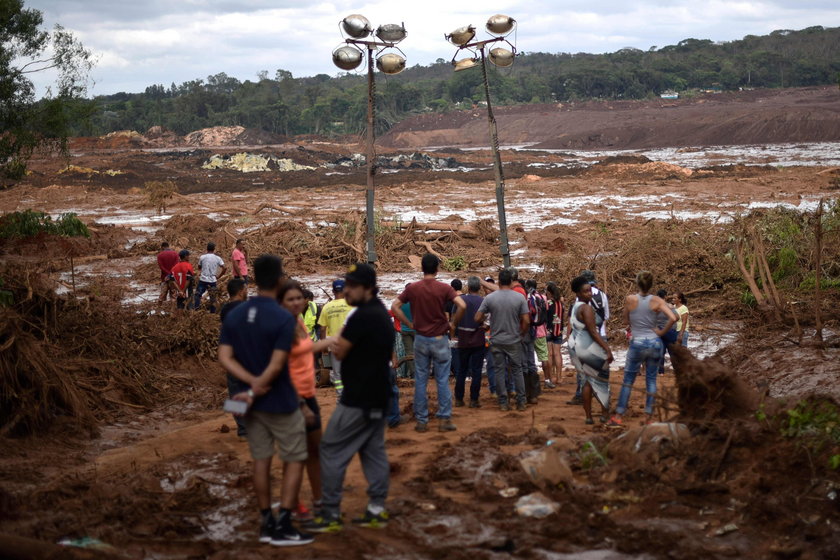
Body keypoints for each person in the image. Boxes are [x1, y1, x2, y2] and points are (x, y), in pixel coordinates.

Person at [218, 255, 314, 547]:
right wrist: (260, 382)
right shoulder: (283, 316)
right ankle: (284, 523)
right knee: (295, 458)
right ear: (279, 279)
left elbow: (224, 357)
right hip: (282, 401)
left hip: (250, 404)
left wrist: (248, 383)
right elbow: (277, 363)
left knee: (260, 461)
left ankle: (265, 521)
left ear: (253, 280)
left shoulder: (234, 314)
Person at [307, 263, 394, 533]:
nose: (346, 290)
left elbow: (341, 353)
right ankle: (377, 509)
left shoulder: (361, 317)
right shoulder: (380, 311)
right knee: (373, 452)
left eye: (352, 286)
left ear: (366, 288)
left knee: (331, 450)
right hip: (379, 395)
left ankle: (331, 514)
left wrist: (331, 341)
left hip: (358, 398)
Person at [278, 280, 336, 523]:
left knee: (314, 451)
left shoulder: (299, 322)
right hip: (293, 399)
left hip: (308, 395)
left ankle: (319, 500)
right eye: (290, 299)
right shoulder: (282, 328)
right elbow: (280, 369)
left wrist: (332, 341)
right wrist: (300, 403)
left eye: (298, 298)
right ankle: (292, 507)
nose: (296, 302)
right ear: (281, 302)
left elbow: (308, 349)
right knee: (295, 456)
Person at [391, 254, 466, 433]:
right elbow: (462, 305)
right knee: (442, 379)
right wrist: (453, 323)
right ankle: (444, 418)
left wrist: (409, 324)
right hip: (440, 338)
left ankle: (422, 421)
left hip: (421, 339)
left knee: (421, 379)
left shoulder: (414, 288)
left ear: (421, 268)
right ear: (437, 269)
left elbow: (395, 306)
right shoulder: (444, 288)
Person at [610, 271, 677, 427]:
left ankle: (618, 416)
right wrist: (661, 332)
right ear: (651, 284)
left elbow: (625, 320)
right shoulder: (657, 300)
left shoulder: (630, 299)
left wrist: (632, 324)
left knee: (628, 380)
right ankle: (648, 417)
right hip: (654, 343)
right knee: (651, 380)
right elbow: (673, 318)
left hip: (637, 342)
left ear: (637, 283)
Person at [474, 268, 530, 412]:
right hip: (514, 339)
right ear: (511, 281)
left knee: (499, 370)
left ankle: (503, 402)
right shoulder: (519, 298)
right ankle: (521, 401)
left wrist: (483, 325)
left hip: (497, 340)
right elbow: (526, 320)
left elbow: (477, 317)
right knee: (517, 370)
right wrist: (521, 334)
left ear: (499, 281)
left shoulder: (490, 298)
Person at [567, 275, 614, 425]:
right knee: (601, 380)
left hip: (577, 346)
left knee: (587, 381)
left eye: (590, 291)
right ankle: (604, 414)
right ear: (578, 293)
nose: (590, 294)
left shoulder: (574, 306)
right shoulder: (586, 308)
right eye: (586, 292)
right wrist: (607, 349)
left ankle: (588, 417)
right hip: (589, 347)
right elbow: (593, 332)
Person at [221, 277, 249, 438]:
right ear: (240, 291)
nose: (247, 291)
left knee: (235, 392)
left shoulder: (224, 310)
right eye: (245, 289)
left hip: (232, 356)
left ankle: (243, 428)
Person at [453, 276, 487, 408]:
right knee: (476, 370)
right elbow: (487, 319)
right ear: (479, 288)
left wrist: (453, 334)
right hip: (478, 339)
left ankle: (459, 399)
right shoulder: (482, 301)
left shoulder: (461, 300)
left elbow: (454, 319)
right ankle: (474, 399)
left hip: (463, 339)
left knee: (462, 370)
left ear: (468, 287)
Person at [317, 279, 352, 397]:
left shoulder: (327, 307)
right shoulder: (351, 304)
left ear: (333, 291)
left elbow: (322, 329)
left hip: (334, 345)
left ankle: (341, 397)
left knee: (337, 373)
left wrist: (324, 346)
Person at [526, 279, 552, 390]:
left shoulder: (527, 298)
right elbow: (546, 312)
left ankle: (530, 382)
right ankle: (547, 380)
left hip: (530, 331)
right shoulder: (543, 298)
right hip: (541, 331)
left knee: (529, 358)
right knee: (544, 357)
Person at [194, 242, 226, 313]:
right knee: (213, 298)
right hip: (212, 280)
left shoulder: (202, 257)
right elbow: (224, 268)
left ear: (207, 249)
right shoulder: (218, 258)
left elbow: (199, 267)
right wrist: (219, 276)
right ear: (214, 249)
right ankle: (212, 313)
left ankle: (196, 311)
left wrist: (201, 272)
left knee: (197, 295)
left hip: (203, 279)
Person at [544, 282, 565, 386]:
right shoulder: (561, 304)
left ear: (549, 292)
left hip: (549, 330)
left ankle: (551, 376)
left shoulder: (548, 303)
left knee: (550, 354)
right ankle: (559, 377)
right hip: (559, 330)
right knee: (558, 353)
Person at [656, 289, 679, 375]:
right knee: (672, 352)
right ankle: (677, 371)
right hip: (669, 331)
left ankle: (660, 372)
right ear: (665, 296)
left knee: (660, 351)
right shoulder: (668, 306)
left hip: (659, 331)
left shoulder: (654, 307)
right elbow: (676, 317)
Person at [447, 278, 464, 381]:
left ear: (452, 288)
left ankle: (458, 374)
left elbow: (447, 318)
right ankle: (467, 373)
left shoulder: (450, 301)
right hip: (466, 329)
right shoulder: (466, 298)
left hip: (454, 330)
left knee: (455, 353)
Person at [397, 284, 415, 379]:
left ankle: (413, 373)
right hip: (417, 330)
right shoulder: (417, 301)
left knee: (409, 353)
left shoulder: (401, 303)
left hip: (404, 330)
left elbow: (394, 312)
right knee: (420, 352)